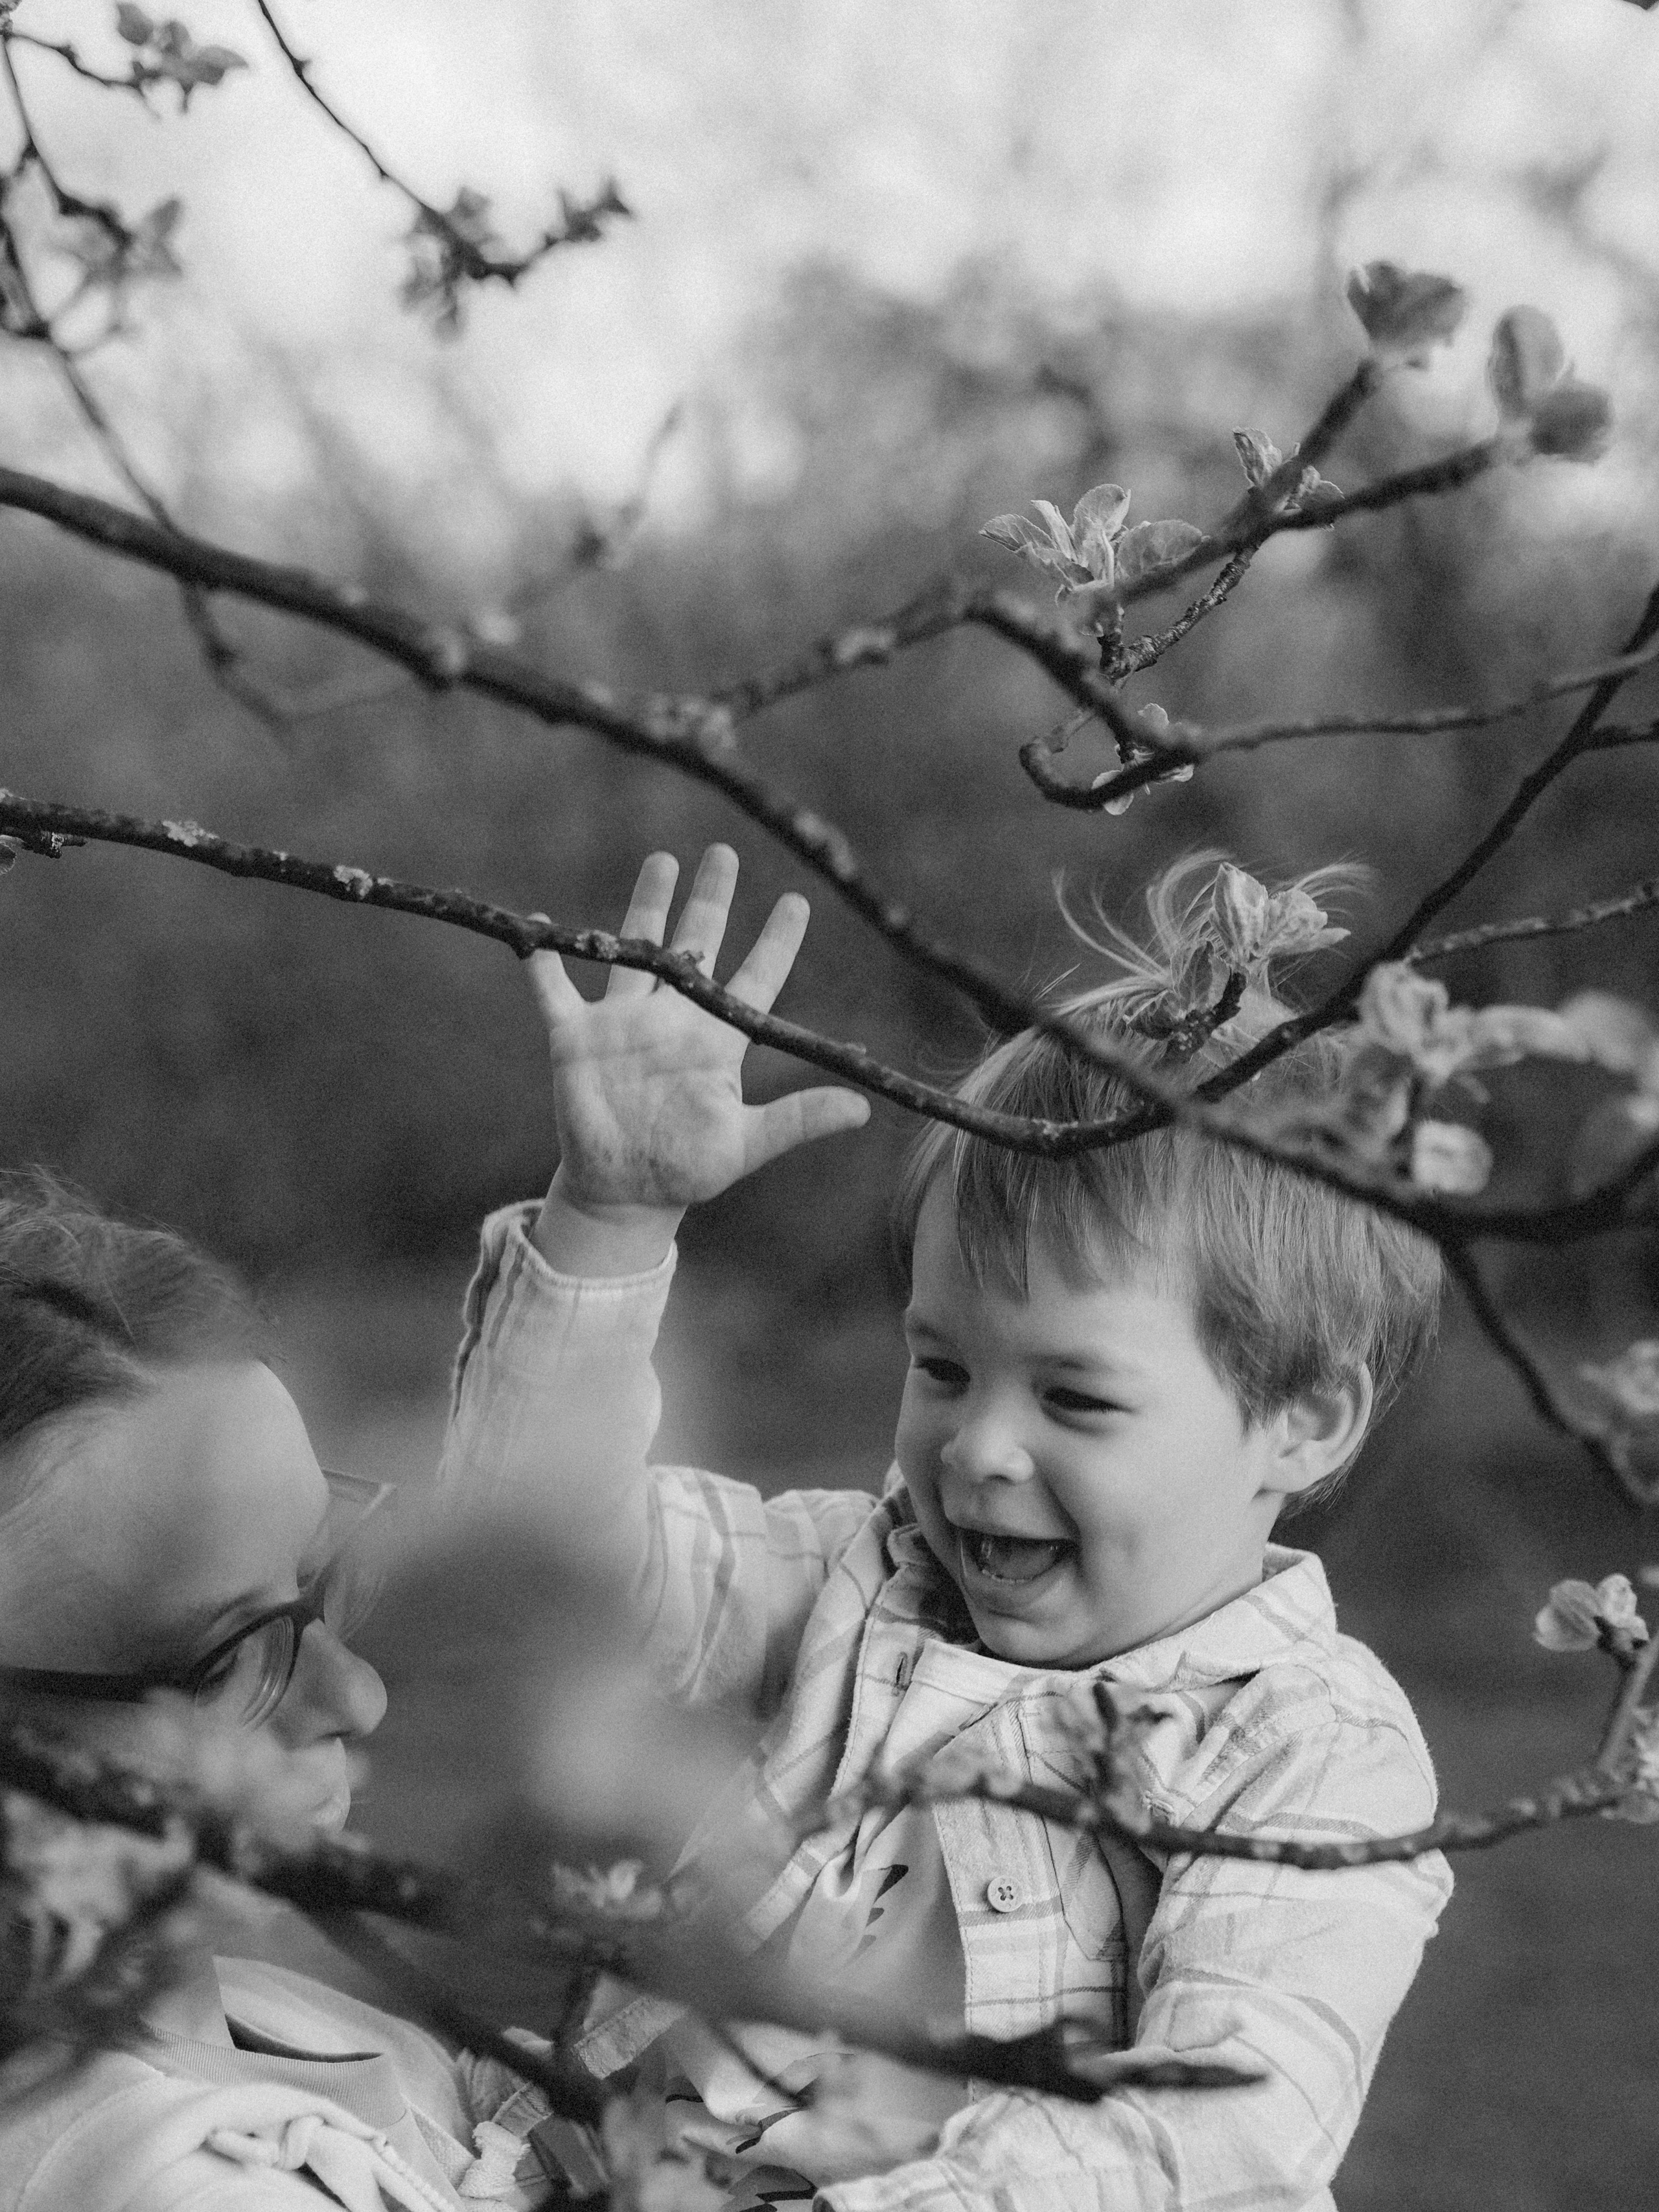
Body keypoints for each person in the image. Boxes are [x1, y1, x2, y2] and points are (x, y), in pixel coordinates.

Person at [437, 843, 1456, 2212]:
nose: (975, 1449)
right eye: (941, 1368)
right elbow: (539, 1560)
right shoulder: (852, 1582)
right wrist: (609, 1227)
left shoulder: (1300, 1751)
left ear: (1302, 1420)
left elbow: (1215, 2131)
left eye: (1076, 1397)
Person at [0, 1172, 563, 2211]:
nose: (358, 1699)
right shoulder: (176, 2185)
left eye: (319, 1574)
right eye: (225, 1661)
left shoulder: (280, 2012)